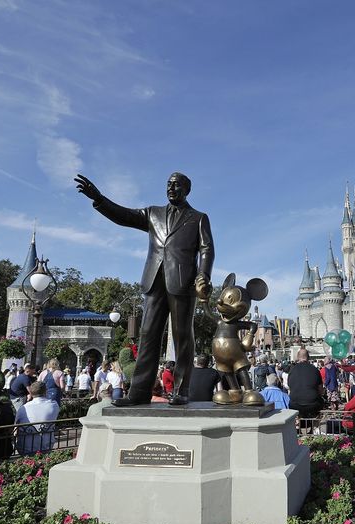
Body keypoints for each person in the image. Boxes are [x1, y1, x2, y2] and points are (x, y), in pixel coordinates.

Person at [76, 172, 215, 406]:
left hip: (182, 282)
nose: (171, 188)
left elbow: (207, 248)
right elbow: (124, 215)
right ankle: (139, 393)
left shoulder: (198, 217)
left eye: (176, 185)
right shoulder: (153, 213)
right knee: (147, 335)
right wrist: (99, 199)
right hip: (154, 280)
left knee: (182, 337)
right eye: (168, 184)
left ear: (187, 190)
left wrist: (203, 275)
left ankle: (181, 391)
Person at [15, 382, 60, 455]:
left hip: (25, 447)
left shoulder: (23, 408)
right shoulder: (54, 405)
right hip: (46, 445)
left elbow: (16, 425)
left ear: (31, 393)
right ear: (45, 391)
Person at [287, 348, 325, 419]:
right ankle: (315, 426)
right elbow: (320, 390)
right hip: (313, 404)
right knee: (321, 403)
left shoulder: (292, 370)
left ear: (298, 357)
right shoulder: (315, 369)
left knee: (295, 410)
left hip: (295, 404)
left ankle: (297, 425)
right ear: (308, 357)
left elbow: (289, 387)